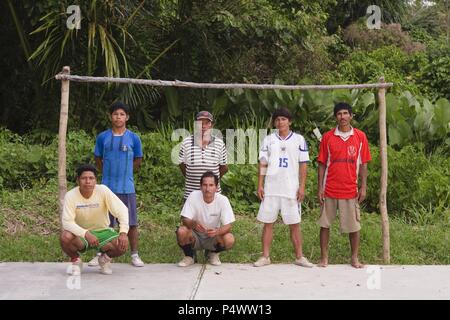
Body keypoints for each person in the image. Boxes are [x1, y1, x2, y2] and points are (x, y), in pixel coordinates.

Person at [253, 107, 314, 268]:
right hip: (271, 188)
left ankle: (299, 256)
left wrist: (302, 187)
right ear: (274, 122)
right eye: (278, 119)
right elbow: (263, 163)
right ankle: (265, 256)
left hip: (290, 188)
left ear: (290, 121)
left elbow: (303, 165)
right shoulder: (268, 140)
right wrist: (260, 184)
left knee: (294, 223)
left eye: (284, 119)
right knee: (268, 222)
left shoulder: (299, 140)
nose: (280, 122)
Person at [317, 102, 371, 269]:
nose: (343, 117)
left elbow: (363, 164)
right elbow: (322, 164)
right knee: (324, 225)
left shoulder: (360, 136)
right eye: (339, 114)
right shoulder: (327, 137)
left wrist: (363, 187)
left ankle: (354, 258)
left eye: (346, 113)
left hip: (350, 189)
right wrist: (320, 188)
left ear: (351, 116)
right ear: (336, 117)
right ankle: (324, 258)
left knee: (354, 227)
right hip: (330, 189)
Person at [90, 101, 144, 267]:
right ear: (110, 116)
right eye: (115, 114)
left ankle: (134, 255)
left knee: (131, 222)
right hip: (106, 188)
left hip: (126, 188)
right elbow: (98, 158)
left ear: (127, 117)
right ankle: (100, 253)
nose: (118, 117)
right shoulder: (103, 137)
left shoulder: (134, 138)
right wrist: (107, 172)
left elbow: (138, 159)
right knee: (105, 223)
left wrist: (126, 173)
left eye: (121, 114)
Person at [60, 164, 129, 275]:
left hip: (103, 231)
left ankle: (104, 259)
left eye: (91, 178)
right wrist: (85, 233)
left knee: (122, 245)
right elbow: (67, 222)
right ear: (78, 180)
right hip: (81, 235)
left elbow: (122, 210)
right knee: (65, 237)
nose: (88, 181)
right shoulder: (70, 195)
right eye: (84, 178)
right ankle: (76, 261)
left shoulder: (103, 190)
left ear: (95, 180)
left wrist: (123, 232)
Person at [176, 171, 235, 267]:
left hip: (213, 236)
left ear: (216, 187)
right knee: (181, 231)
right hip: (195, 234)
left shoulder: (223, 200)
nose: (207, 189)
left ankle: (213, 253)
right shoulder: (193, 196)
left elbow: (228, 226)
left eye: (211, 185)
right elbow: (184, 219)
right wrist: (193, 224)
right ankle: (189, 256)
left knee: (229, 239)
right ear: (200, 186)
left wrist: (217, 232)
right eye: (205, 185)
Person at [179, 111, 228, 200]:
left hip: (213, 195)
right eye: (200, 122)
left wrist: (212, 180)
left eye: (207, 123)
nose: (203, 126)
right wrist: (192, 176)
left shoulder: (219, 143)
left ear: (211, 125)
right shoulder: (186, 142)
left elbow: (224, 168)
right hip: (191, 194)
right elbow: (182, 164)